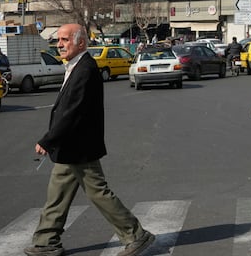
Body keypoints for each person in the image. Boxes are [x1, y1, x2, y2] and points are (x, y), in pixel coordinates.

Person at [24, 23, 155, 256]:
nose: (60, 45)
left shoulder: (85, 69)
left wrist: (48, 140)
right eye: (58, 40)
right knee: (57, 194)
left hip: (80, 146)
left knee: (98, 192)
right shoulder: (75, 66)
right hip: (70, 146)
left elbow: (72, 111)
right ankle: (45, 241)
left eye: (65, 40)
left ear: (81, 43)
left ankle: (136, 235)